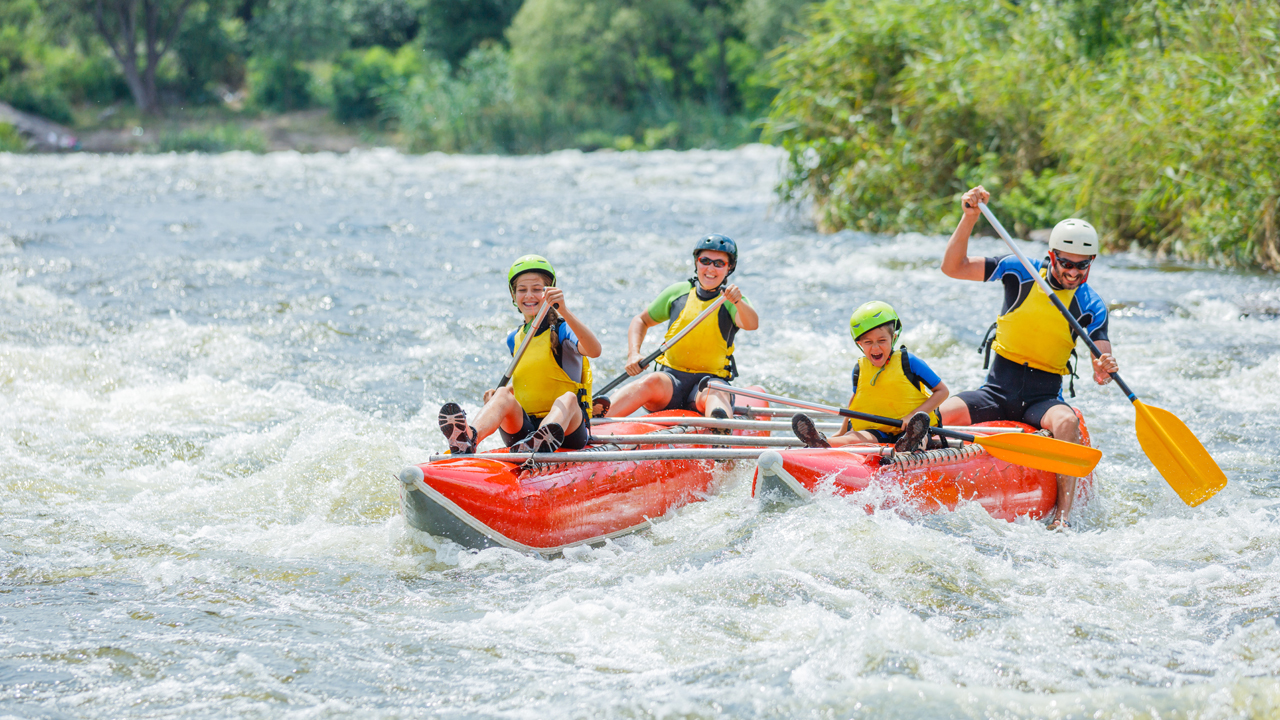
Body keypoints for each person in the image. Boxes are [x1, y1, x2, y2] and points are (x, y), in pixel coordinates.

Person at [937, 186, 1119, 529]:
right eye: (1066, 263)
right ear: (1052, 257)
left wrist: (1104, 367)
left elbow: (1102, 366)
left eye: (1083, 266)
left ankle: (1062, 518)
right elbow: (953, 267)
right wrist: (969, 217)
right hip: (995, 390)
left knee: (1067, 423)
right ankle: (892, 457)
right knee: (933, 415)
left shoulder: (1091, 305)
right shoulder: (1019, 271)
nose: (1074, 273)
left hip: (1042, 398)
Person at [437, 254, 602, 455]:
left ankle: (542, 439)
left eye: (537, 289)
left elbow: (595, 351)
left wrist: (564, 310)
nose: (529, 295)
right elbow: (533, 377)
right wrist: (498, 399)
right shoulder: (514, 338)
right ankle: (468, 438)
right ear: (514, 296)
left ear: (549, 292)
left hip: (568, 429)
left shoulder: (563, 330)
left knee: (568, 398)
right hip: (525, 430)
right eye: (522, 290)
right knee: (502, 394)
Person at [597, 234, 759, 422]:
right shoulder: (678, 292)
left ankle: (720, 431)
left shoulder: (732, 300)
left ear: (729, 268)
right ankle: (593, 422)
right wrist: (634, 354)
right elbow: (641, 321)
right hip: (670, 382)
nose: (710, 268)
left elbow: (751, 324)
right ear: (696, 262)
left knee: (716, 391)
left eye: (719, 263)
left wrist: (738, 301)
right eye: (705, 261)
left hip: (708, 384)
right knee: (651, 380)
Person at [791, 301, 950, 453]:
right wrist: (841, 432)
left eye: (882, 340)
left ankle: (908, 448)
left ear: (893, 338)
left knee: (918, 438)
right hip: (877, 431)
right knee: (851, 438)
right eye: (868, 342)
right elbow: (855, 402)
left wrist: (912, 416)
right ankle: (820, 441)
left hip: (911, 429)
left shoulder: (910, 362)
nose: (875, 347)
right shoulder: (859, 369)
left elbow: (942, 391)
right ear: (860, 344)